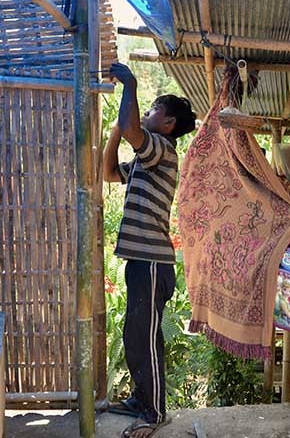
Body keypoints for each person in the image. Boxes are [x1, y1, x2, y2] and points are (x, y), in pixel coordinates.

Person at [102, 63, 196, 438]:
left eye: (154, 108)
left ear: (168, 122)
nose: (148, 112)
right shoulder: (147, 158)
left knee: (146, 335)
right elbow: (109, 173)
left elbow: (132, 129)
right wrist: (113, 134)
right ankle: (142, 400)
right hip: (142, 261)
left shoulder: (162, 149)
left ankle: (154, 412)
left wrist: (131, 83)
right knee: (135, 334)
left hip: (153, 262)